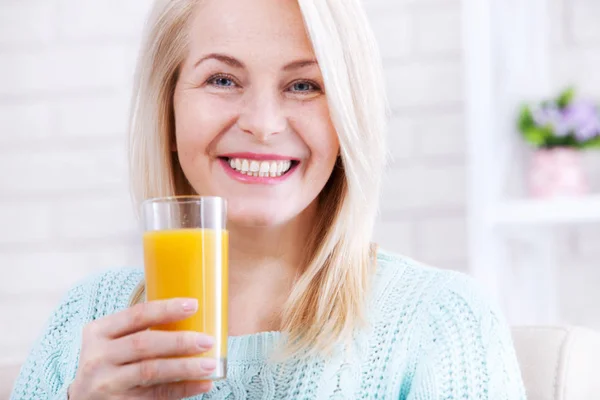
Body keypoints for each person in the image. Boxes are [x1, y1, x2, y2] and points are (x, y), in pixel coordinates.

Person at [11, 0, 527, 399]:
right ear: (168, 110)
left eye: (303, 85)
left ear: (348, 116)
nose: (262, 123)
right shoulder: (86, 320)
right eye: (221, 79)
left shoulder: (437, 322)